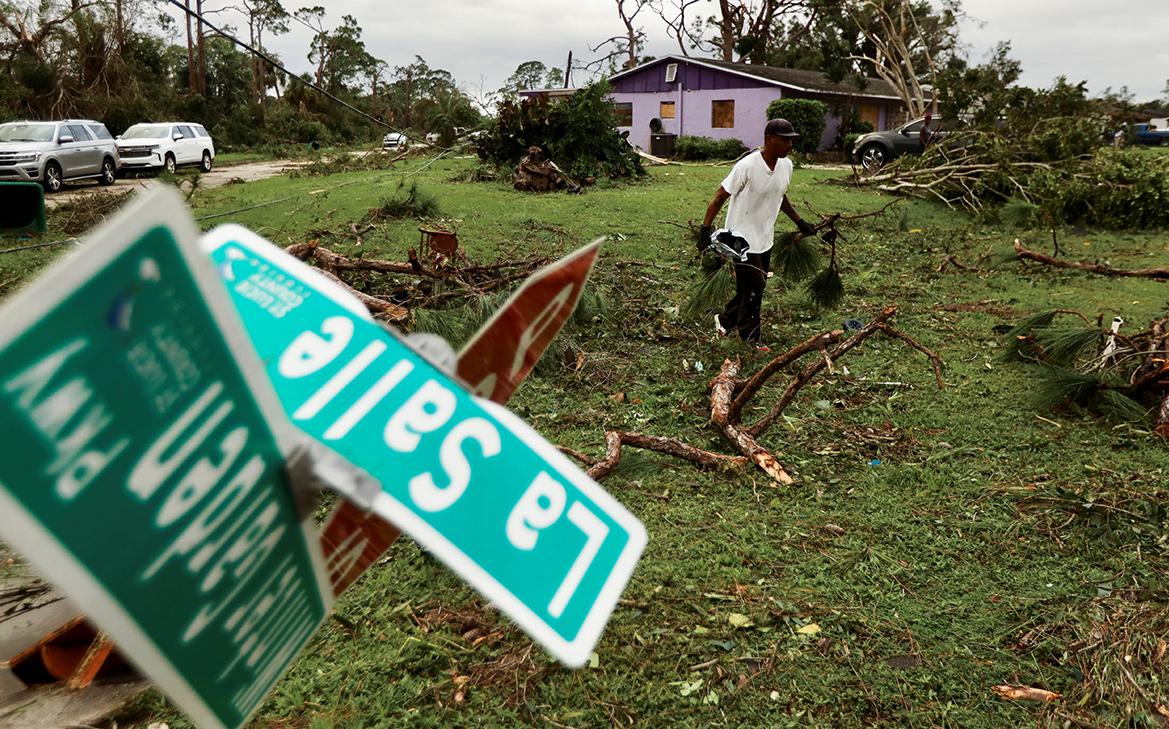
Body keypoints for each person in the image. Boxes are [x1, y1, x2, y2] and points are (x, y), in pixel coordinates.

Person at [698, 118, 816, 349]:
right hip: (740, 240)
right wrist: (705, 230)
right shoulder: (748, 166)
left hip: (765, 237)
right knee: (757, 285)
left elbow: (780, 196)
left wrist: (800, 222)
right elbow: (720, 196)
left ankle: (724, 320)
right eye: (784, 140)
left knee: (747, 287)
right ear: (769, 139)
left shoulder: (786, 166)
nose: (789, 145)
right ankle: (750, 338)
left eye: (791, 141)